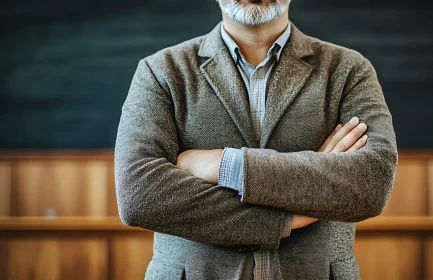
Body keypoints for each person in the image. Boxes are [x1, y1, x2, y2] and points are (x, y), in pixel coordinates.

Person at [114, 0, 398, 279]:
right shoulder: (160, 71)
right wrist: (289, 217)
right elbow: (140, 196)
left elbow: (371, 183)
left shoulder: (349, 69)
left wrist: (225, 164)